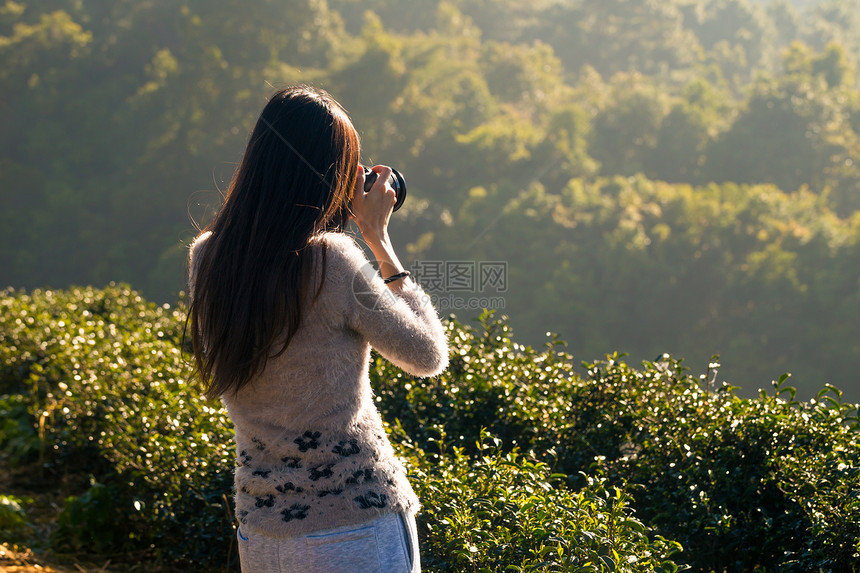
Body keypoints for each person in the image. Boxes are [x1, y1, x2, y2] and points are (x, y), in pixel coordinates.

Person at [186, 85, 449, 572]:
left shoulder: (207, 257)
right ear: (325, 176)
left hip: (264, 532)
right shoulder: (334, 262)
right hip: (356, 526)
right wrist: (379, 238)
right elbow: (427, 355)